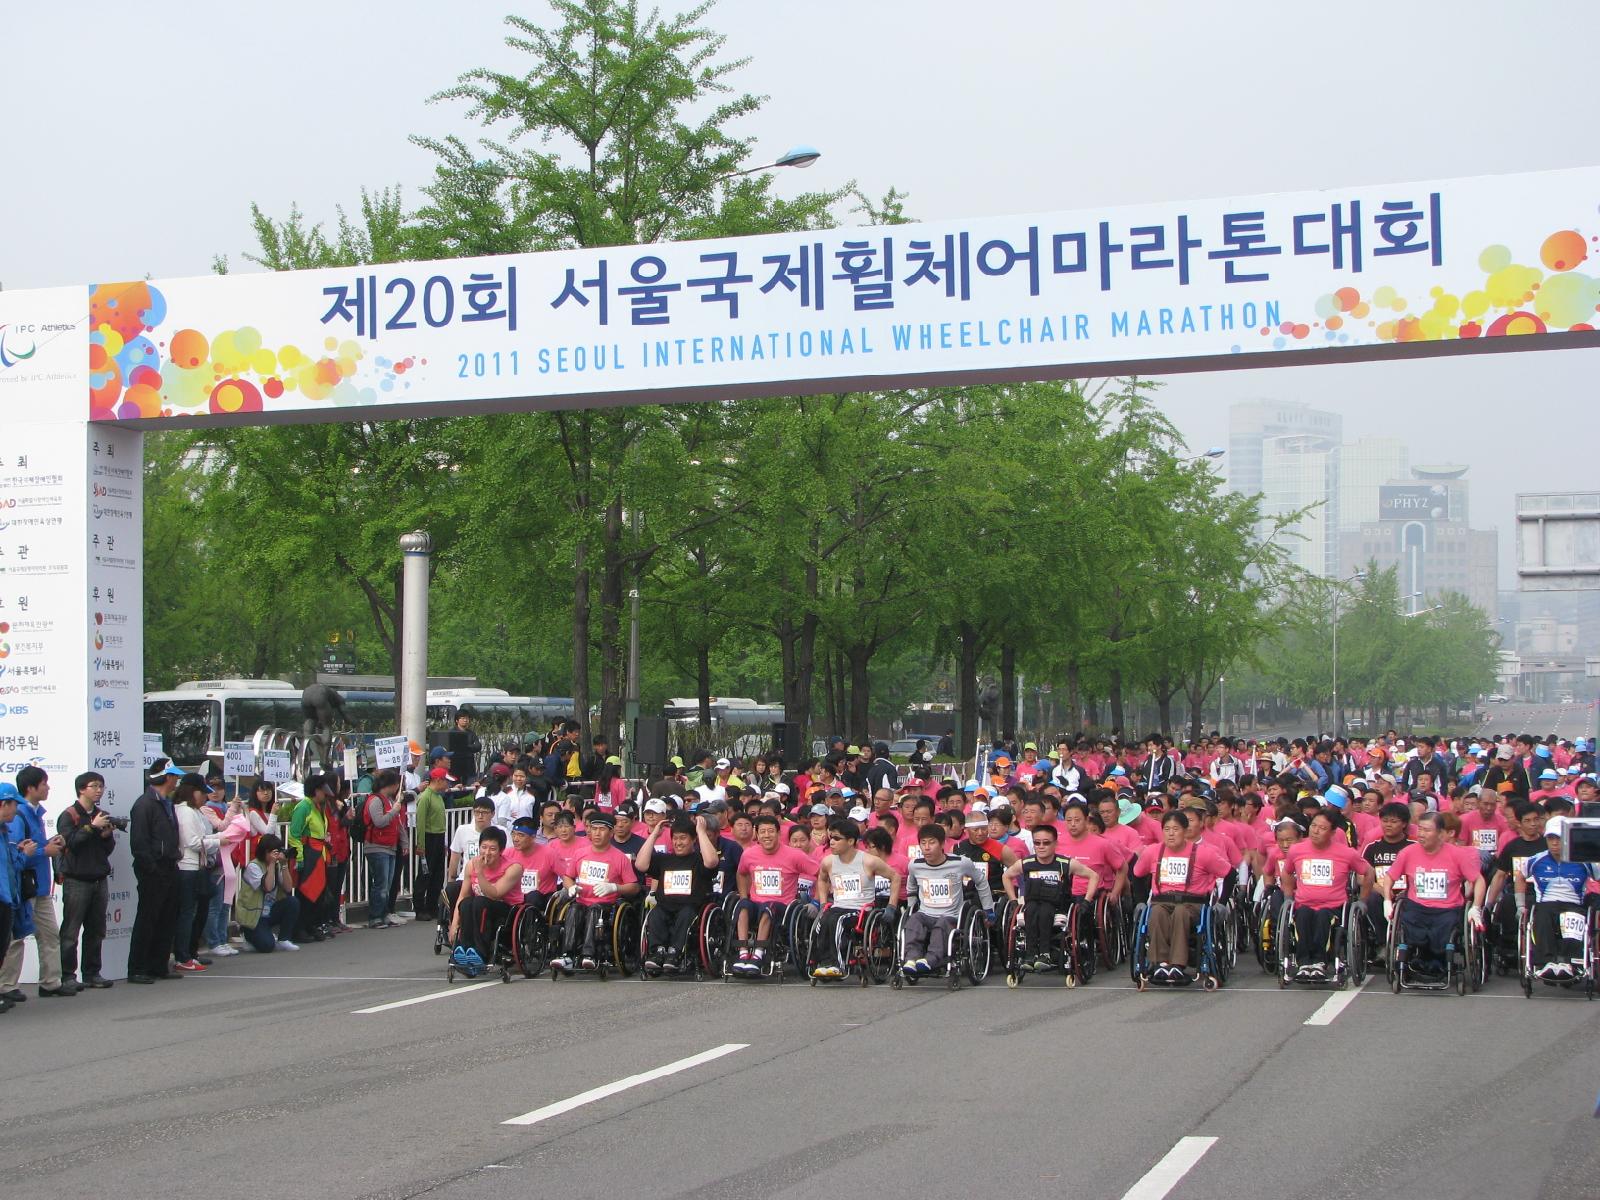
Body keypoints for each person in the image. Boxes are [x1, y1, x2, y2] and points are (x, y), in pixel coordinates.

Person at [1379, 812, 1485, 977]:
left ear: (1441, 833)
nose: (1421, 834)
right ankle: (1418, 959)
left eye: (1427, 830)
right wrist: (1387, 900)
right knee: (1410, 925)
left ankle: (1438, 961)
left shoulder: (1457, 855)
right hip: (1417, 906)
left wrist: (1476, 907)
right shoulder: (1408, 853)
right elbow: (1390, 877)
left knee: (1444, 929)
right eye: (1420, 829)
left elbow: (1478, 880)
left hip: (1448, 908)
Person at [1131, 811, 1231, 983]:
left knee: (1180, 912)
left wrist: (1221, 903)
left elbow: (1230, 874)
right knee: (1156, 913)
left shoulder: (1203, 853)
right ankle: (1160, 963)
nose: (1171, 833)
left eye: (1175, 829)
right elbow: (1137, 875)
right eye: (1167, 829)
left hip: (1192, 903)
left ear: (1185, 831)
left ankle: (1177, 964)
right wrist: (1140, 901)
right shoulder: (1152, 852)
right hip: (1161, 900)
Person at [1, 766, 69, 998]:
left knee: (50, 934)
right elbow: (16, 853)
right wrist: (44, 851)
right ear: (31, 788)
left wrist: (48, 845)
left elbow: (33, 847)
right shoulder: (19, 815)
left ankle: (51, 981)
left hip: (39, 886)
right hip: (24, 887)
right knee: (16, 938)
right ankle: (8, 986)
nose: (48, 787)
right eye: (44, 783)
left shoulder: (34, 812)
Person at [1280, 811, 1372, 981]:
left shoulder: (1346, 853)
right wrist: (1287, 896)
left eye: (1322, 828)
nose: (1315, 831)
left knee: (1323, 917)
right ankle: (1304, 963)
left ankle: (1320, 962)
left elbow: (1368, 872)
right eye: (1313, 825)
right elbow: (1286, 872)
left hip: (1333, 907)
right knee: (1303, 915)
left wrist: (1363, 900)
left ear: (1332, 832)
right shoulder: (1297, 850)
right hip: (1303, 904)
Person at [1002, 824, 1100, 972]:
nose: (1041, 846)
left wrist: (1087, 900)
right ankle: (1030, 955)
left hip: (1058, 904)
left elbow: (1093, 876)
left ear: (1055, 843)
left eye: (1046, 843)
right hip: (1033, 902)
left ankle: (1045, 954)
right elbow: (1006, 876)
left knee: (1045, 910)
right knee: (1032, 909)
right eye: (1037, 843)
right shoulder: (1026, 863)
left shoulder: (1066, 863)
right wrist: (1013, 900)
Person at [811, 817, 901, 978]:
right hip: (837, 906)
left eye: (837, 838)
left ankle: (836, 964)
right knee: (823, 921)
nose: (831, 842)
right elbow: (822, 879)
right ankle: (823, 962)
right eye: (831, 837)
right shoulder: (828, 862)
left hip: (862, 910)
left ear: (851, 840)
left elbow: (895, 877)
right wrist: (823, 902)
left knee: (837, 921)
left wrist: (892, 906)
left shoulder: (869, 861)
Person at [901, 823, 993, 976]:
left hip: (951, 916)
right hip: (925, 913)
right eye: (923, 843)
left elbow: (981, 881)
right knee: (914, 920)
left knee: (942, 924)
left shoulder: (960, 863)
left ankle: (930, 960)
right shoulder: (915, 865)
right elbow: (911, 888)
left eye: (932, 842)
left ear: (942, 843)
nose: (927, 847)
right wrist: (912, 907)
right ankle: (911, 958)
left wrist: (988, 909)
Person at [731, 814, 817, 976]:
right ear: (757, 834)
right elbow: (741, 874)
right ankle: (743, 953)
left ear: (778, 834)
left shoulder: (794, 855)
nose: (766, 835)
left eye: (771, 831)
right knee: (742, 905)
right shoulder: (749, 854)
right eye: (762, 831)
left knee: (768, 907)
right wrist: (744, 895)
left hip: (783, 908)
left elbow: (822, 873)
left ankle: (758, 955)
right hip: (755, 903)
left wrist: (818, 901)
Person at [1515, 815, 1600, 979]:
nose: (1555, 843)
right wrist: (1520, 905)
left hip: (1573, 904)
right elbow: (1520, 876)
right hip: (1546, 904)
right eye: (1551, 838)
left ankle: (1570, 963)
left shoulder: (1583, 861)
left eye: (1559, 838)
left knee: (1571, 917)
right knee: (1542, 915)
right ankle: (1546, 963)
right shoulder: (1536, 860)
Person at [554, 811, 640, 972]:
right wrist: (570, 886)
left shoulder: (619, 857)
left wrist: (615, 887)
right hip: (581, 900)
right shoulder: (580, 854)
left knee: (595, 910)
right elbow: (567, 877)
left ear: (611, 832)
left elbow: (634, 887)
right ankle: (568, 955)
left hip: (606, 905)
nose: (597, 833)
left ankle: (589, 954)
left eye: (602, 829)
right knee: (573, 909)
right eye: (594, 829)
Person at [636, 814, 720, 976]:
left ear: (693, 839)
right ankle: (657, 952)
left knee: (686, 914)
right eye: (675, 838)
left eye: (683, 838)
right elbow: (640, 864)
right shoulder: (664, 859)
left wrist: (701, 832)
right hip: (665, 905)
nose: (678, 842)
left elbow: (711, 862)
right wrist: (654, 834)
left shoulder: (699, 860)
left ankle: (676, 952)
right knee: (655, 914)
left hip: (691, 907)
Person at [55, 771, 115, 989]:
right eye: (94, 786)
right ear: (82, 789)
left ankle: (92, 972)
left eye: (101, 786)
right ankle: (68, 976)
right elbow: (70, 843)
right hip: (77, 879)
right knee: (71, 931)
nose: (99, 790)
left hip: (99, 877)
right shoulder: (70, 815)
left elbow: (107, 849)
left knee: (96, 928)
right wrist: (91, 827)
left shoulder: (102, 814)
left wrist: (106, 836)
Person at [128, 762, 184, 983]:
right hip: (153, 869)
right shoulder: (144, 804)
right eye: (174, 776)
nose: (177, 781)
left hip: (170, 866)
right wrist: (151, 868)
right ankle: (138, 967)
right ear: (165, 777)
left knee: (168, 918)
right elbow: (139, 842)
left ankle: (158, 964)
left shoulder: (167, 803)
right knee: (148, 918)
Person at [449, 827, 525, 972]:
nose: (487, 853)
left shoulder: (514, 867)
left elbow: (495, 894)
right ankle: (465, 949)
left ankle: (480, 952)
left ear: (501, 851)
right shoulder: (472, 864)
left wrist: (479, 873)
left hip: (507, 909)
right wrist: (454, 924)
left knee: (479, 902)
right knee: (466, 903)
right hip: (481, 908)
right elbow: (463, 895)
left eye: (492, 849)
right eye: (483, 847)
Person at [235, 835, 301, 953]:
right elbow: (268, 887)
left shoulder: (277, 865)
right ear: (266, 852)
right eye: (275, 852)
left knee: (292, 902)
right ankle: (248, 936)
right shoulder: (253, 867)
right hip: (254, 917)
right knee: (267, 946)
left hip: (269, 912)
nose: (277, 855)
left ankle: (283, 939)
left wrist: (284, 865)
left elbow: (288, 887)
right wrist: (271, 865)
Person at [363, 769, 409, 929]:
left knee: (387, 883)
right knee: (381, 884)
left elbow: (398, 824)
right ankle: (375, 916)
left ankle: (383, 914)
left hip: (389, 846)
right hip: (377, 846)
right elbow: (379, 821)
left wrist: (404, 842)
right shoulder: (376, 800)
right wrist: (394, 810)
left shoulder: (388, 800)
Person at [413, 768, 448, 921]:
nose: (447, 784)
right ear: (438, 780)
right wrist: (420, 844)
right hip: (429, 837)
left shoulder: (438, 797)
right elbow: (420, 823)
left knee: (438, 875)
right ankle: (420, 908)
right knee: (425, 874)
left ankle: (432, 906)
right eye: (445, 780)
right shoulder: (425, 797)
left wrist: (444, 842)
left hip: (439, 837)